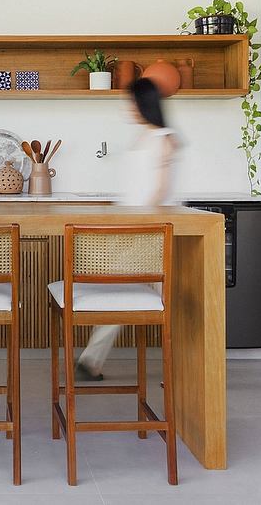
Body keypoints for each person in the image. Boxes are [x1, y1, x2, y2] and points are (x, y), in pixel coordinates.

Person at [75, 77, 179, 381]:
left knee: (132, 293)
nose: (128, 107)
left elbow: (161, 190)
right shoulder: (143, 137)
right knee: (120, 291)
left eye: (131, 101)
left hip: (152, 231)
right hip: (133, 228)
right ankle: (92, 361)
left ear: (143, 103)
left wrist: (140, 225)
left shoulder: (165, 138)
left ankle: (93, 361)